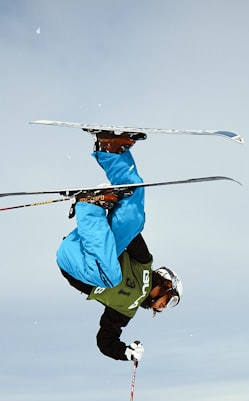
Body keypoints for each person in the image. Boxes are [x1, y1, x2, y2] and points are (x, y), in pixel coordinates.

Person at [56, 131, 183, 362]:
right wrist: (119, 205)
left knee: (110, 276)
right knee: (134, 219)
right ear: (166, 285)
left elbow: (105, 341)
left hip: (74, 264)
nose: (165, 307)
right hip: (90, 242)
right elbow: (129, 230)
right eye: (171, 300)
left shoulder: (127, 310)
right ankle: (111, 151)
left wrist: (125, 352)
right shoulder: (144, 263)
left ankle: (88, 206)